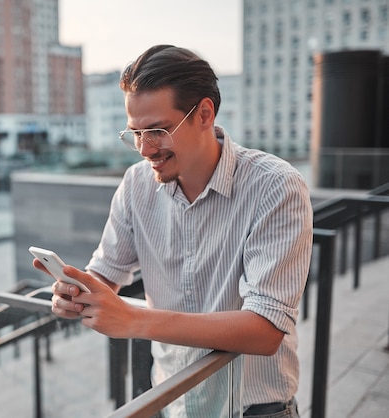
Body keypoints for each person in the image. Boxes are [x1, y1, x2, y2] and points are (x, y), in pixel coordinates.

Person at [34, 45, 313, 417]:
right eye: (134, 133)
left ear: (204, 114)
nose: (144, 149)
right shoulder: (136, 185)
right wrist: (76, 291)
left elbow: (264, 330)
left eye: (158, 131)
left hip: (254, 409)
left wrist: (133, 320)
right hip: (172, 402)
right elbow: (106, 273)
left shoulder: (276, 187)